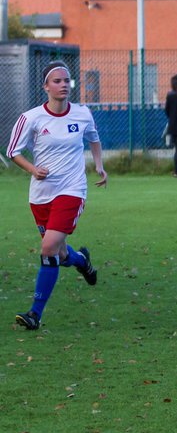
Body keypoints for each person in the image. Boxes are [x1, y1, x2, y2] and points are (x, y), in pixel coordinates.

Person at [6, 60, 106, 330]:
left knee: (48, 249)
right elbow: (12, 151)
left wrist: (99, 165)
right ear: (45, 87)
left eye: (66, 81)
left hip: (72, 190)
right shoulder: (31, 118)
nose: (64, 85)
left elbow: (94, 138)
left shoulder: (82, 114)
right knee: (59, 255)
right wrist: (32, 169)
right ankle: (82, 261)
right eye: (57, 81)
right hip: (40, 195)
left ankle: (35, 314)